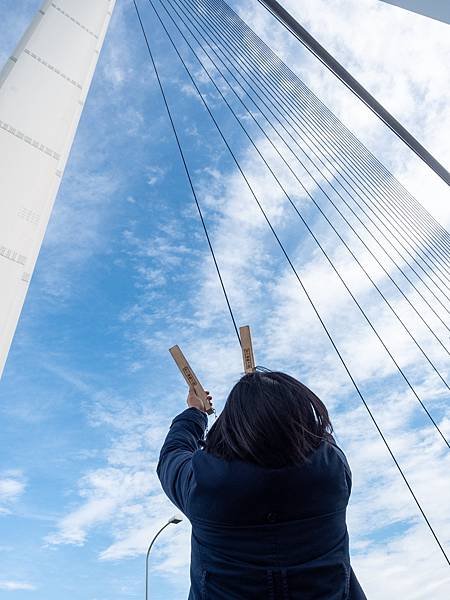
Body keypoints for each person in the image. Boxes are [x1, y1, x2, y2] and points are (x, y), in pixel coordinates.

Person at [157, 369, 367, 599]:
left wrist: (196, 412)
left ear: (231, 426)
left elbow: (173, 452)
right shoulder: (332, 473)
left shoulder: (204, 485)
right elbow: (319, 436)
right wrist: (267, 405)